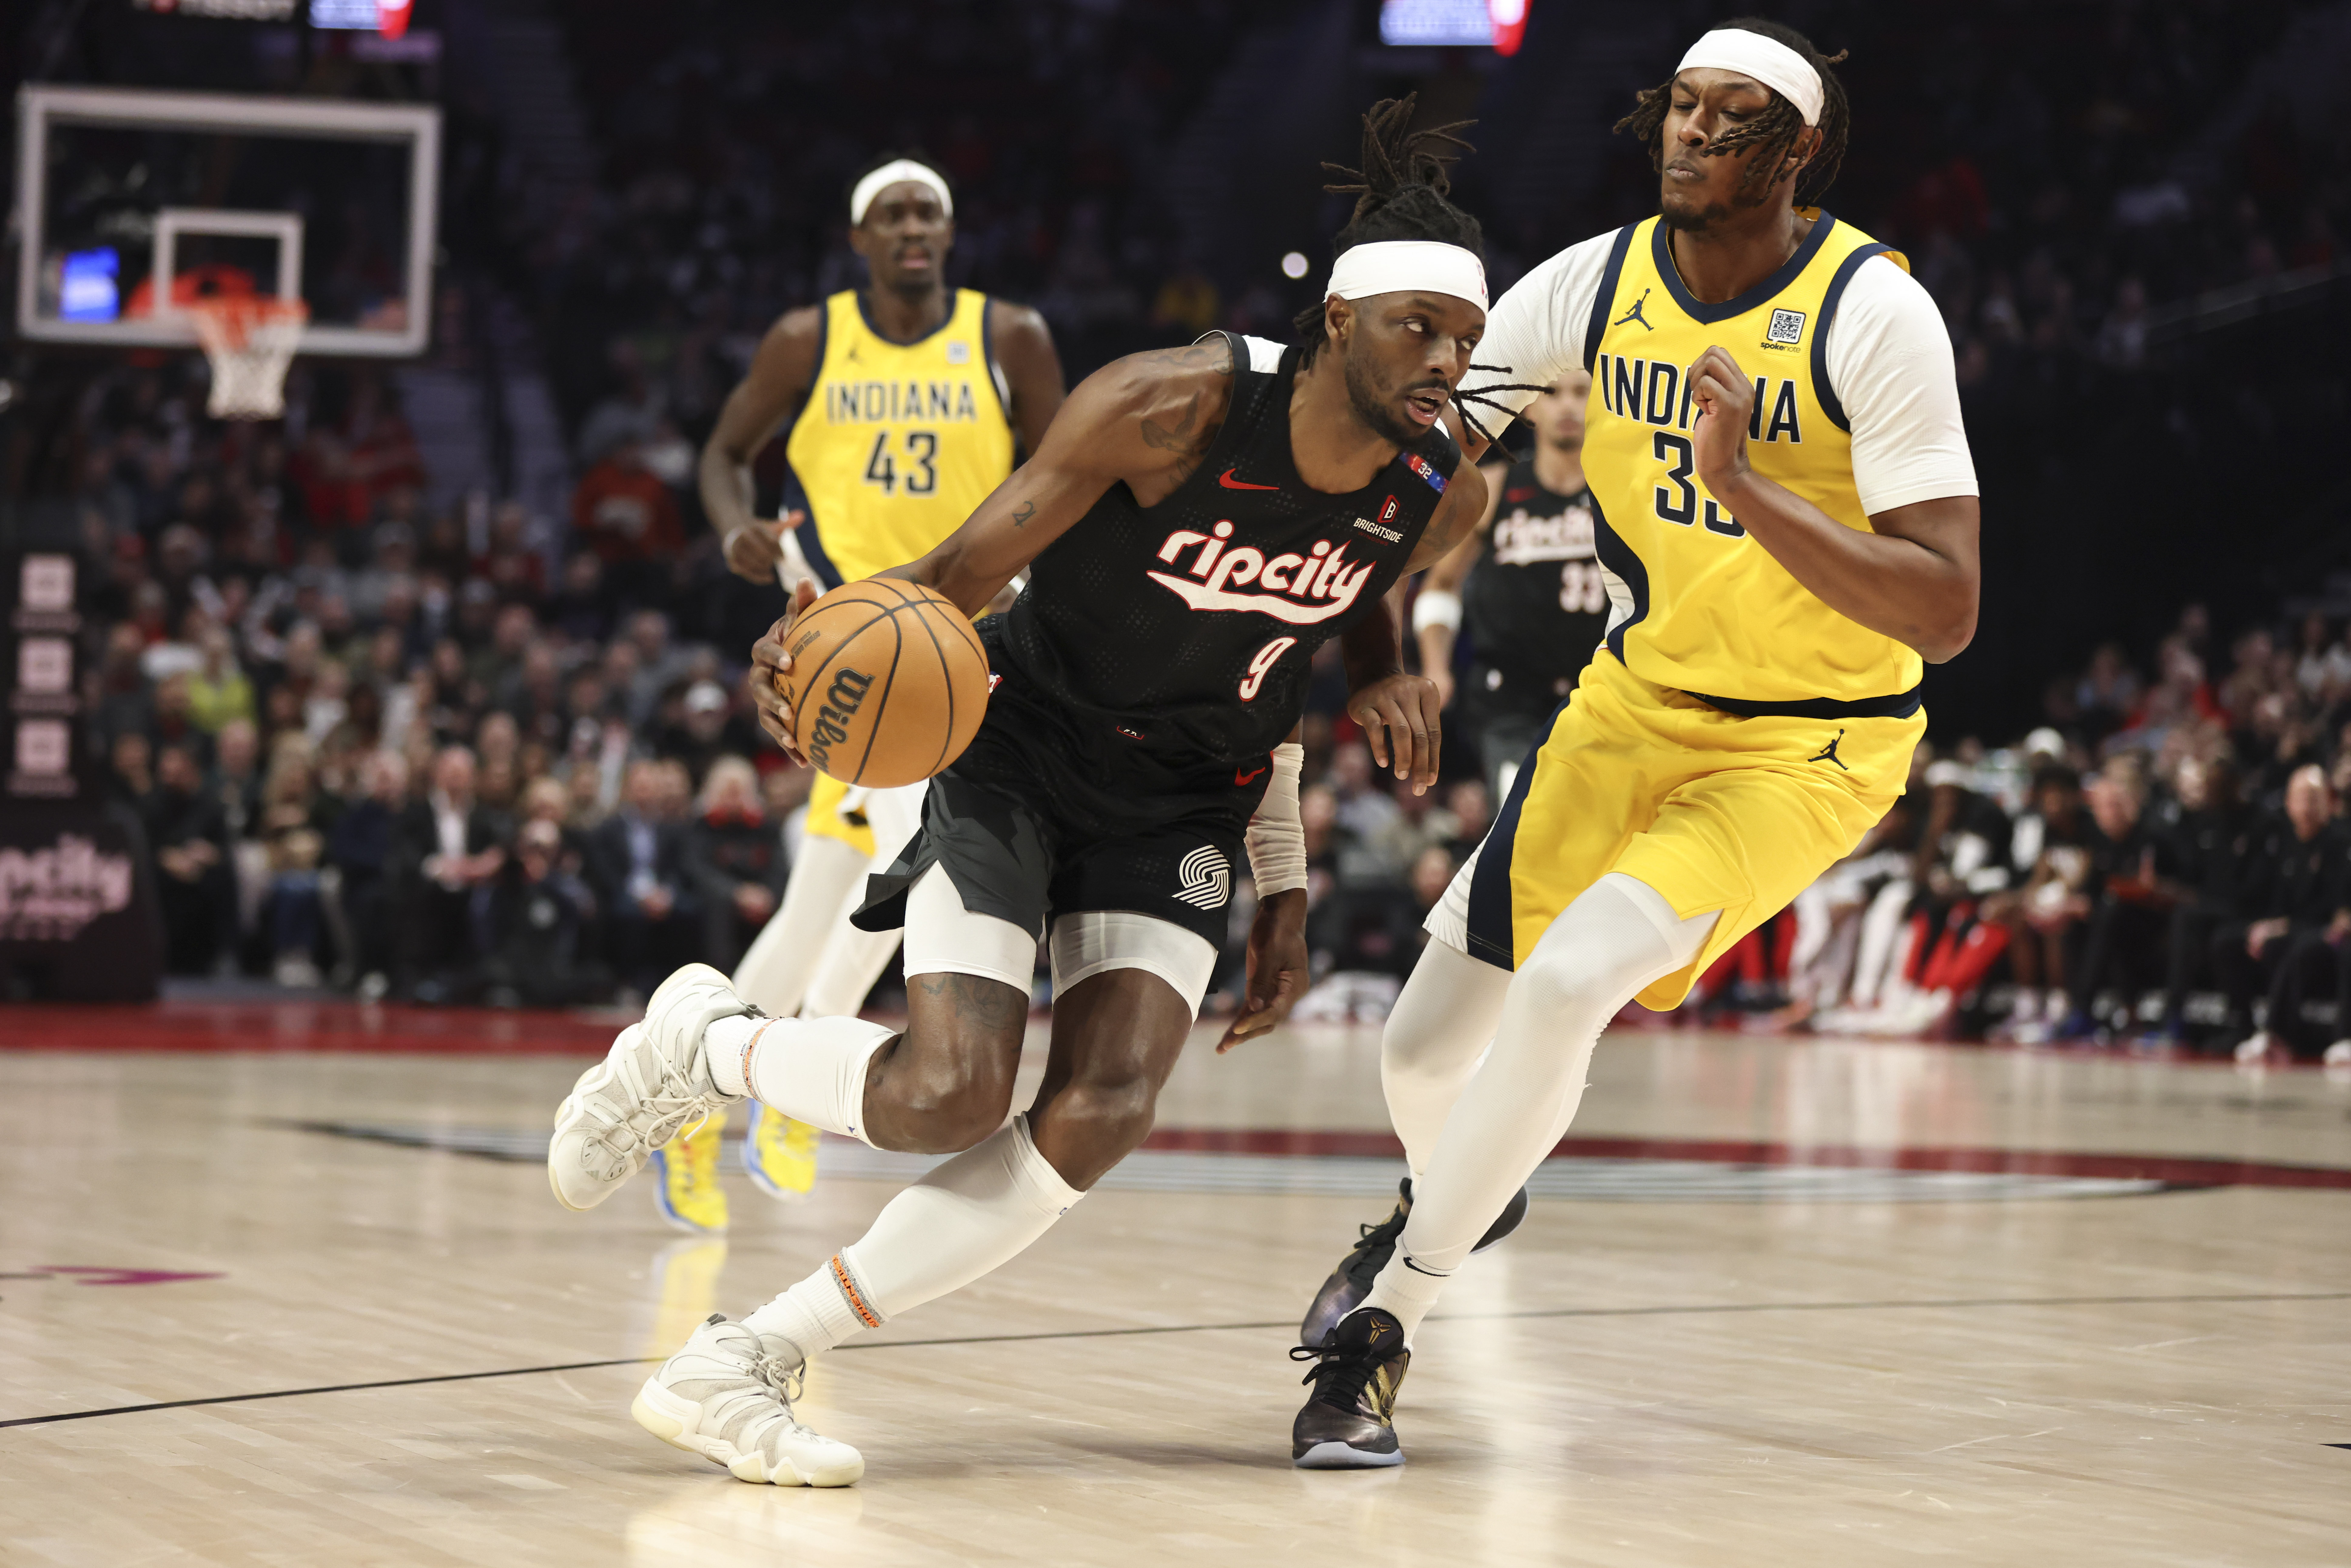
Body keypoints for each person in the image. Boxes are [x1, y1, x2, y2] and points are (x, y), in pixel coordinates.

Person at [546, 99, 1488, 1486]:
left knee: (1103, 1109)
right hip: (1022, 744)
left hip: (1184, 800)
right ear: (1336, 321)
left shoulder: (1440, 487)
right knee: (947, 1089)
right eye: (1417, 327)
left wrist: (1306, 822)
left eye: (1464, 340)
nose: (1447, 361)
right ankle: (703, 1046)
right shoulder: (1165, 406)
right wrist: (814, 653)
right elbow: (955, 579)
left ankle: (750, 1355)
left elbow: (1321, 615)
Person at [1289, 22, 1980, 1466]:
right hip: (1626, 708)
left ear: (1794, 151)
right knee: (1420, 1059)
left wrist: (1748, 489)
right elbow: (1427, 449)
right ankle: (1462, 1184)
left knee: (1570, 984)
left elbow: (1945, 606)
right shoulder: (1593, 286)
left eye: (1729, 119)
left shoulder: (1869, 312)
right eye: (1678, 108)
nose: (1688, 135)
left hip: (1805, 744)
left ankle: (1382, 1333)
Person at [682, 153, 1068, 1220]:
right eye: (891, 214)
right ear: (858, 239)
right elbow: (723, 453)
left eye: (929, 213)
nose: (912, 227)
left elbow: (1072, 470)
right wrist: (735, 530)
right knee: (905, 875)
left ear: (949, 233)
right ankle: (758, 1094)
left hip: (979, 649)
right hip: (853, 653)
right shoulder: (810, 341)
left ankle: (703, 1091)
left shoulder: (1010, 337)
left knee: (829, 906)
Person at [1412, 368, 1609, 799]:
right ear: (1530, 408)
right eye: (1553, 393)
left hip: (1602, 691)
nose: (1569, 406)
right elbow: (1440, 586)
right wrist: (1436, 668)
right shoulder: (1496, 488)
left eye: (1581, 393)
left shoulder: (1617, 490)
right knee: (1520, 813)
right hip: (1510, 695)